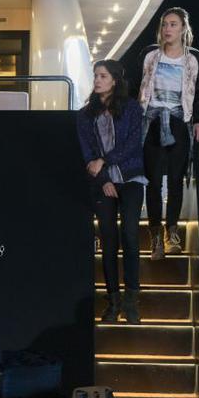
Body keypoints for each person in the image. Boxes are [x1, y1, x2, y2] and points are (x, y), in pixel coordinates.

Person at [76, 60, 146, 323]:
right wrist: (104, 179)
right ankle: (113, 302)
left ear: (115, 80)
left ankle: (131, 302)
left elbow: (133, 145)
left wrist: (105, 161)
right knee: (108, 240)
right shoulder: (84, 115)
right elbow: (88, 156)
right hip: (102, 183)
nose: (97, 80)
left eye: (103, 76)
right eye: (96, 76)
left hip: (131, 178)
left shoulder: (132, 108)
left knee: (130, 235)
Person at [138, 7, 199, 260]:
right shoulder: (150, 55)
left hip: (180, 120)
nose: (167, 29)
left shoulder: (194, 58)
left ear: (183, 29)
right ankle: (155, 237)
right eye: (164, 24)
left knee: (177, 179)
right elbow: (139, 88)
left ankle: (172, 233)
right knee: (153, 181)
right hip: (152, 121)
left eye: (173, 24)